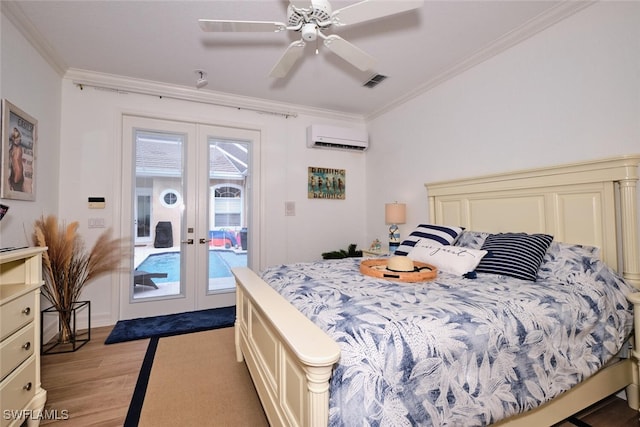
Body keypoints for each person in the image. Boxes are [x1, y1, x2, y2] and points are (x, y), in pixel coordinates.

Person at [8, 127, 24, 192]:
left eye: (19, 138)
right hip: (15, 175)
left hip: (19, 174)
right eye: (17, 138)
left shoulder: (19, 148)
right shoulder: (12, 149)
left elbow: (19, 161)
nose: (18, 139)